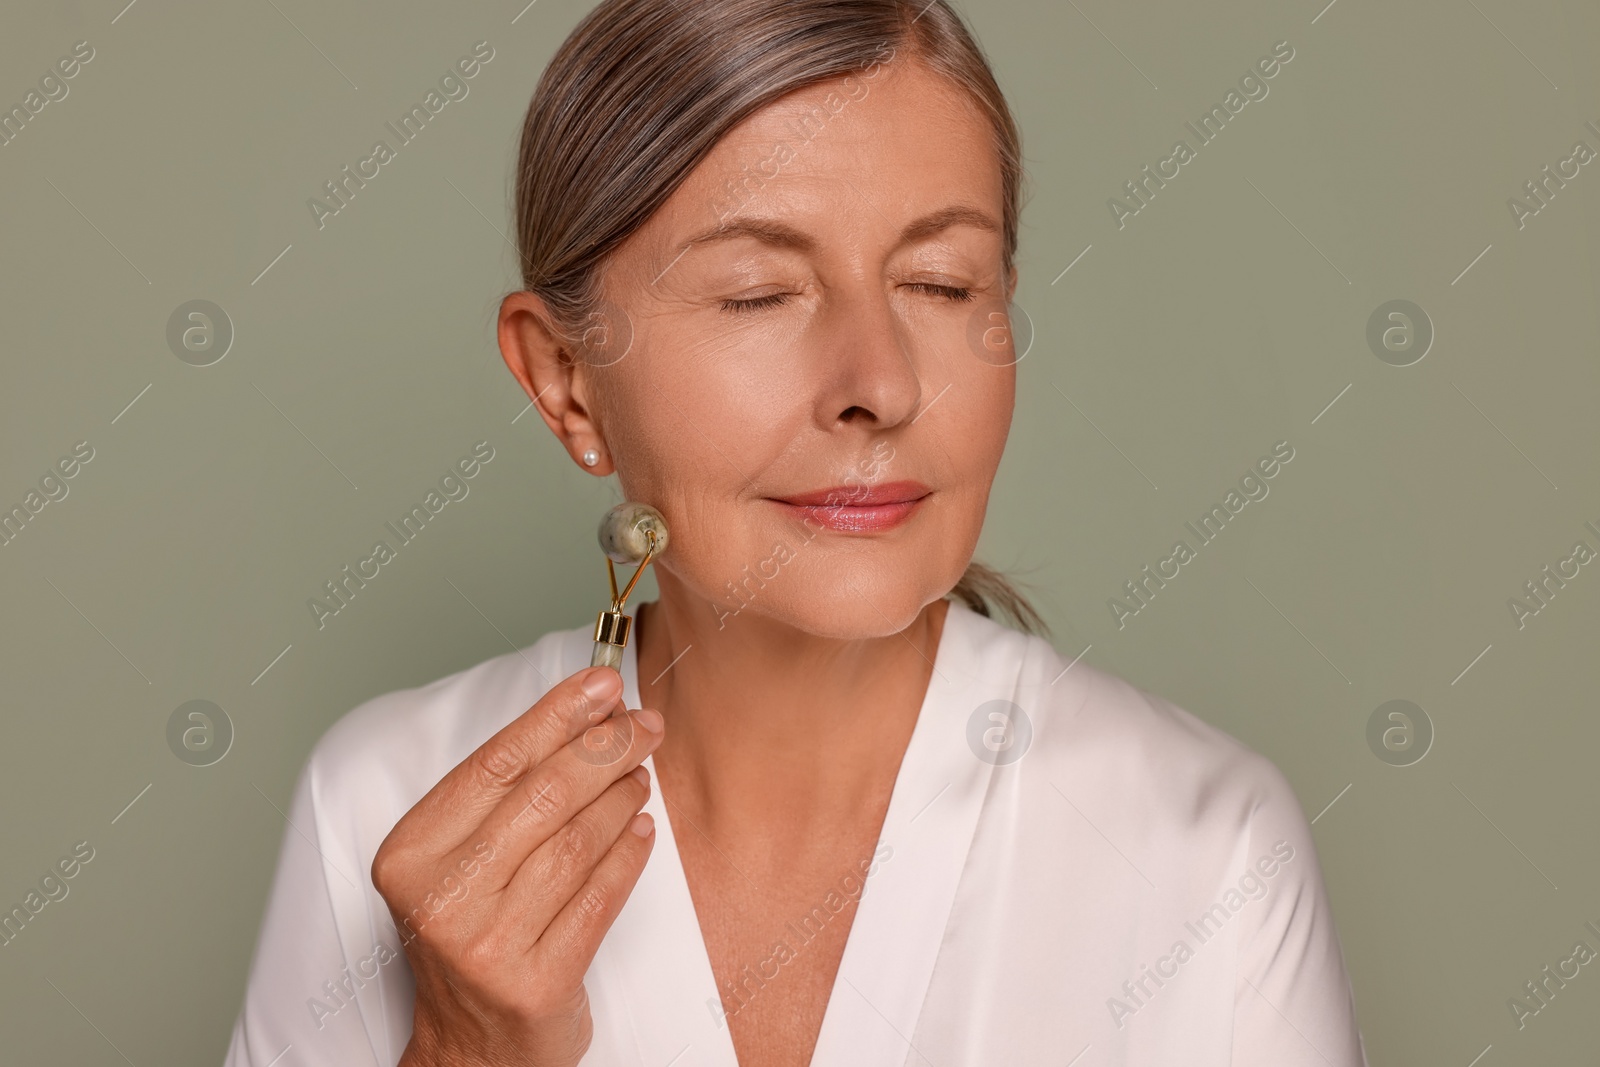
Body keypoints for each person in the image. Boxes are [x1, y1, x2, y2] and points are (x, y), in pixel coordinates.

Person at [223, 0, 1367, 1064]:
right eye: (759, 294)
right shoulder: (386, 802)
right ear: (568, 381)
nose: (877, 383)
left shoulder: (1202, 850)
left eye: (939, 282)